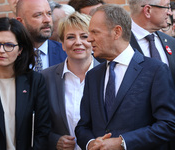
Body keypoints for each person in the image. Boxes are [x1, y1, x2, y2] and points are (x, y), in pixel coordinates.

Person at [75, 4, 175, 150]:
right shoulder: (93, 76)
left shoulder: (155, 70)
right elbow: (83, 126)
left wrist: (122, 143)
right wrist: (91, 143)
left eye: (95, 32)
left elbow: (168, 124)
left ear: (117, 32)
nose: (89, 39)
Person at [0, 17, 51, 150]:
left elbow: (43, 130)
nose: (1, 50)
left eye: (9, 45)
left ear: (20, 50)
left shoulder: (35, 81)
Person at [41, 12, 99, 150]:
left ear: (93, 40)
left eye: (84, 36)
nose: (78, 42)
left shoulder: (109, 74)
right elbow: (37, 124)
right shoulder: (46, 78)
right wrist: (54, 140)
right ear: (62, 44)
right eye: (70, 37)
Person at [129, 0, 175, 85]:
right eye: (167, 7)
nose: (170, 13)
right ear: (148, 11)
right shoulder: (119, 42)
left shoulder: (171, 42)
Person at [16, 0, 67, 70]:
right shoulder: (11, 56)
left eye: (49, 14)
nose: (47, 20)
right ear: (20, 22)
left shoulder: (65, 53)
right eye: (38, 15)